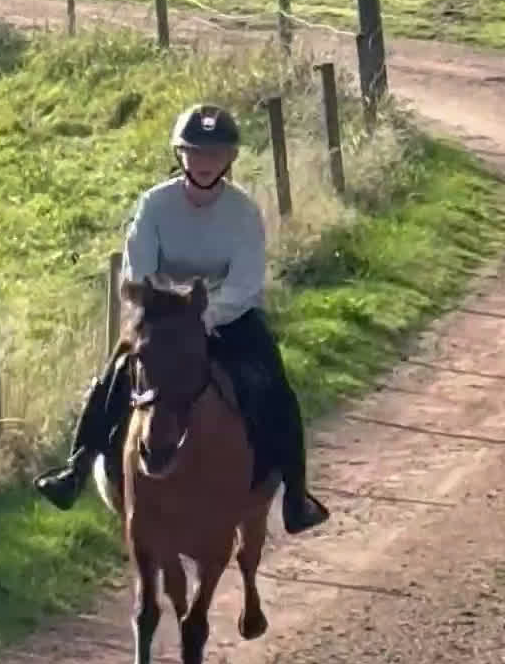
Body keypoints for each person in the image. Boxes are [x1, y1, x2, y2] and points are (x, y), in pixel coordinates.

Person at [34, 102, 329, 535]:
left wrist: (204, 316)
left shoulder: (243, 212)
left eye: (215, 154)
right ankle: (76, 469)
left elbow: (245, 281)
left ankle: (296, 496)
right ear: (180, 154)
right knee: (114, 376)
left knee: (276, 388)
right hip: (163, 316)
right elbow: (138, 269)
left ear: (229, 158)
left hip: (228, 318)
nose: (205, 162)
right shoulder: (155, 204)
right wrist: (164, 309)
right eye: (195, 152)